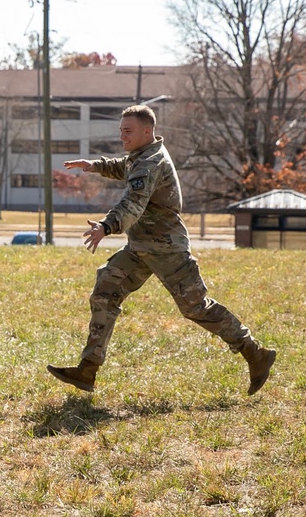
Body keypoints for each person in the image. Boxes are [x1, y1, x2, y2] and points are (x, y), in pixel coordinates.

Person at [47, 104, 277, 395]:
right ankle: (87, 369)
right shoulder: (141, 156)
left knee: (196, 307)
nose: (122, 136)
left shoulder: (151, 162)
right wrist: (96, 165)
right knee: (105, 290)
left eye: (127, 131)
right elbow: (125, 167)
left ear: (147, 131)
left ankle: (255, 352)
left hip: (167, 250)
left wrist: (106, 226)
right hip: (141, 247)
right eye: (121, 131)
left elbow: (133, 203)